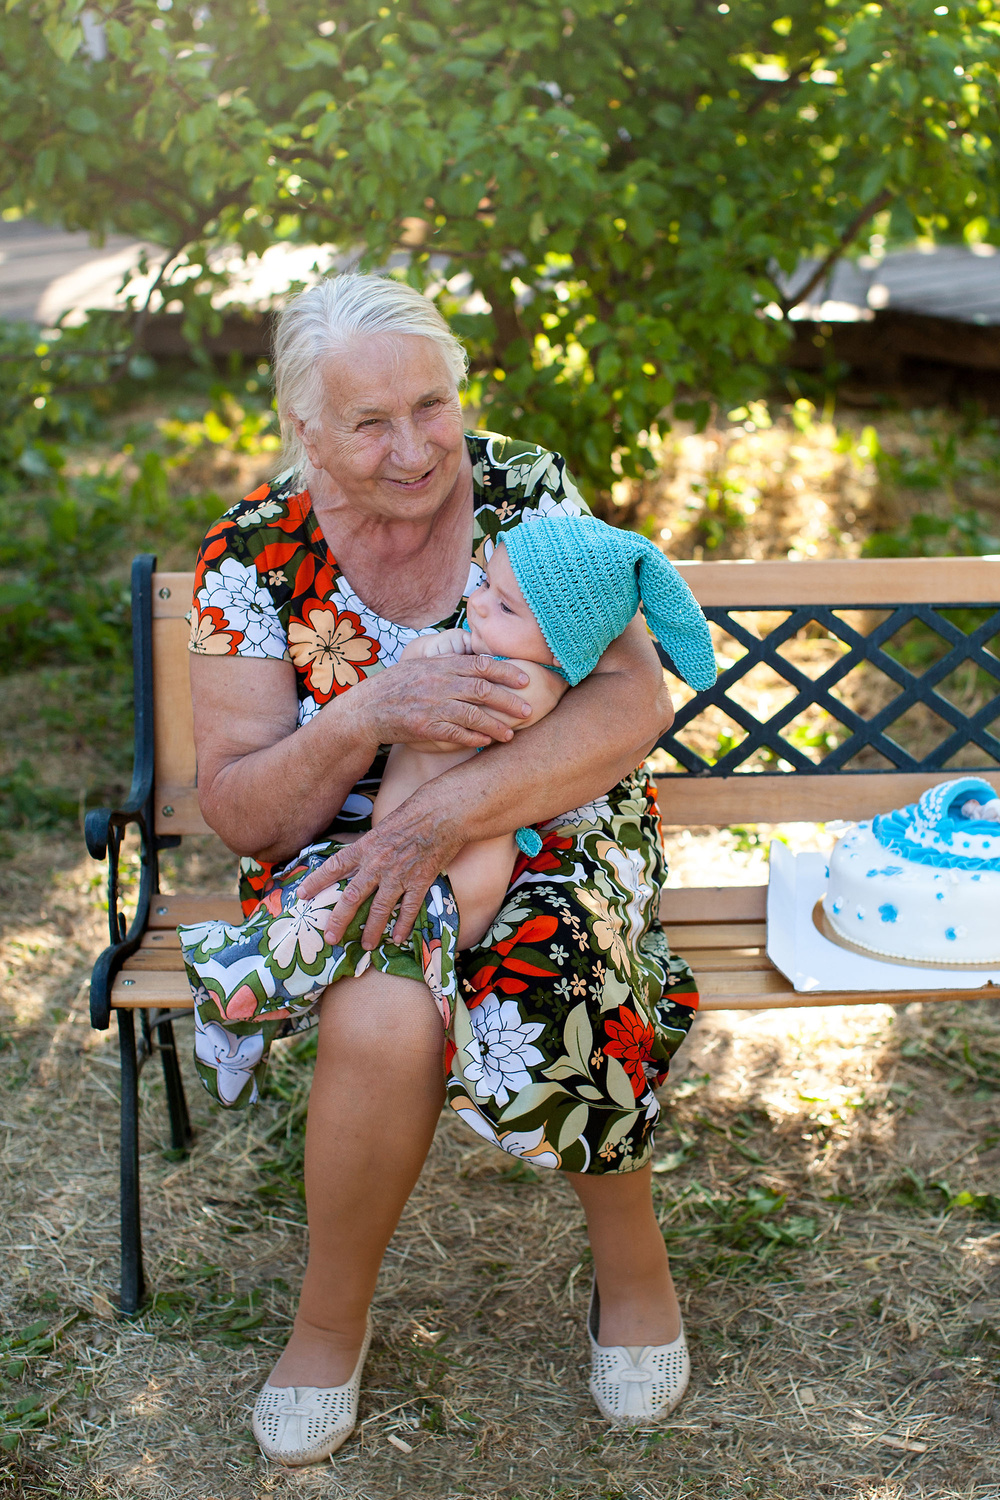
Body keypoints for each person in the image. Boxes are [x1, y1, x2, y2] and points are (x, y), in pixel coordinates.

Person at [177, 271, 716, 1467]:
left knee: (558, 958)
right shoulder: (252, 555)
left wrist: (451, 814)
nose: (417, 449)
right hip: (346, 842)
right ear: (302, 429)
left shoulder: (523, 487)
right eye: (371, 423)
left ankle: (633, 1271)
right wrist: (366, 711)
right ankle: (329, 1322)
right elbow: (243, 814)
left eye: (431, 405)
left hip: (551, 811)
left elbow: (629, 698)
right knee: (377, 1007)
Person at [371, 514, 716, 949]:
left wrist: (416, 673)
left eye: (505, 606)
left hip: (458, 881)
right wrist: (426, 656)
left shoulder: (527, 684)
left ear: (558, 644)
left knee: (374, 943)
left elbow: (430, 730)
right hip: (407, 856)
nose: (476, 604)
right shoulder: (490, 651)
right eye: (484, 585)